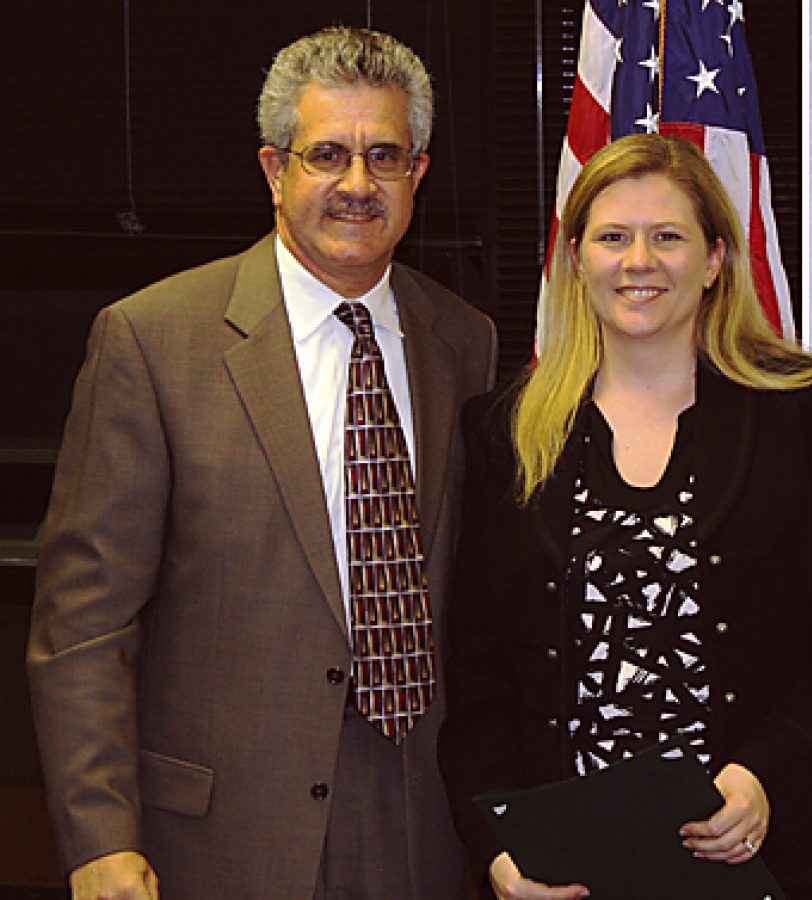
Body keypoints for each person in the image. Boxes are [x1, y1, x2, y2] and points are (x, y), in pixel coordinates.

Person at [28, 25, 496, 900]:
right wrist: (98, 840)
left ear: (418, 175)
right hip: (217, 840)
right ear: (275, 171)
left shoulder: (464, 344)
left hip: (417, 827)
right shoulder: (153, 340)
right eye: (327, 154)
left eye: (384, 156)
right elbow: (84, 626)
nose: (357, 184)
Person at [437, 133, 812, 900]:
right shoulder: (505, 432)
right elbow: (478, 676)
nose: (640, 262)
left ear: (716, 259)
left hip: (762, 863)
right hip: (567, 872)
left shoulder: (806, 408)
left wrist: (764, 780)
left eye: (668, 237)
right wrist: (498, 851)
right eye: (613, 237)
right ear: (576, 257)